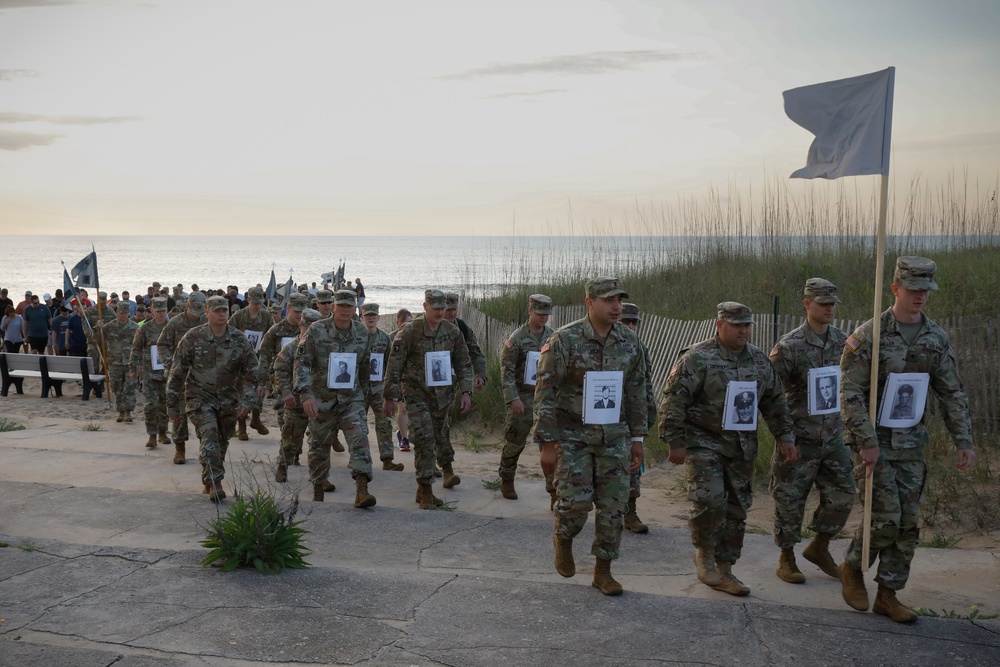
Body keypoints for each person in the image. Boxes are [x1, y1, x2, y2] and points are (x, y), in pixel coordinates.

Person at [839, 256, 974, 623]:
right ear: (895, 288)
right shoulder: (870, 336)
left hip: (912, 443)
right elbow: (849, 391)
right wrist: (865, 441)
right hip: (875, 443)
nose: (920, 297)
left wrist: (964, 441)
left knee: (908, 523)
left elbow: (951, 392)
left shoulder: (935, 337)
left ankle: (888, 593)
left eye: (926, 290)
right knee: (885, 518)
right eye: (913, 290)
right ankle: (852, 567)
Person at [659, 301, 794, 596]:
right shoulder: (698, 358)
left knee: (736, 507)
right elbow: (674, 400)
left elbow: (775, 401)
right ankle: (705, 554)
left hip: (741, 445)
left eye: (747, 325)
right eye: (737, 325)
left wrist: (785, 437)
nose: (743, 331)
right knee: (710, 499)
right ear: (720, 326)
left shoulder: (759, 361)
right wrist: (675, 441)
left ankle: (726, 568)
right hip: (703, 440)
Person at [534, 277, 646, 596]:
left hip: (615, 438)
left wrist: (638, 438)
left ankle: (603, 571)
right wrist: (547, 443)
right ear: (590, 303)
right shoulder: (564, 339)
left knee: (614, 506)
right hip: (573, 438)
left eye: (619, 300)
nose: (616, 306)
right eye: (609, 300)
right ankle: (564, 538)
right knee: (575, 504)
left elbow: (639, 392)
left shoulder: (630, 342)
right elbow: (545, 392)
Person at [768, 277, 854, 584]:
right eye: (823, 303)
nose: (829, 308)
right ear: (807, 304)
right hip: (799, 438)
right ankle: (787, 557)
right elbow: (771, 395)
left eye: (832, 304)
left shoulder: (844, 342)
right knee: (790, 499)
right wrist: (783, 436)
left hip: (834, 436)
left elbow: (852, 386)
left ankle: (820, 546)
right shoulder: (789, 348)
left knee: (844, 494)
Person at [383, 289, 473, 508]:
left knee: (437, 437)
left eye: (443, 309)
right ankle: (425, 489)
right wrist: (389, 397)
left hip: (443, 396)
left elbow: (463, 362)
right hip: (416, 393)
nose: (440, 313)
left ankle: (423, 488)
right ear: (425, 307)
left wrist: (466, 391)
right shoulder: (410, 331)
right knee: (424, 438)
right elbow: (394, 366)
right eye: (436, 309)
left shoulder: (452, 332)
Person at [167, 296, 259, 502]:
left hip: (228, 400)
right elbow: (177, 374)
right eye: (216, 310)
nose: (221, 314)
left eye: (224, 310)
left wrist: (248, 401)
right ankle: (216, 483)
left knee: (221, 442)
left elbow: (253, 373)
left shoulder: (239, 339)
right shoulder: (193, 338)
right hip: (199, 397)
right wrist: (172, 406)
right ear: (207, 312)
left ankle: (209, 478)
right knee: (209, 436)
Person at [293, 289, 378, 507]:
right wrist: (306, 394)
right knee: (318, 447)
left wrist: (366, 393)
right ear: (333, 307)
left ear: (355, 308)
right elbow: (302, 363)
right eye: (341, 306)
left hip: (351, 399)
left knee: (359, 437)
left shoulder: (361, 331)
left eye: (350, 306)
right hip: (322, 399)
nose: (345, 310)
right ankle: (318, 491)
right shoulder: (317, 330)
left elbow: (366, 364)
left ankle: (362, 490)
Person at [497, 294, 553, 501]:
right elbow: (507, 371)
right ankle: (507, 479)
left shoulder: (552, 336)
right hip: (523, 397)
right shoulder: (517, 339)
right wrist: (513, 399)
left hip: (545, 400)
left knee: (550, 445)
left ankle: (553, 490)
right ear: (530, 311)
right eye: (539, 313)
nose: (543, 318)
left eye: (546, 314)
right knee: (515, 442)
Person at [620, 302, 658, 534]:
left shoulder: (640, 348)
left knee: (633, 465)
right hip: (602, 416)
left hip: (630, 417)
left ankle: (630, 511)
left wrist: (646, 419)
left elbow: (646, 387)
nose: (631, 326)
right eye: (626, 321)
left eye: (634, 322)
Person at [272, 307, 323, 481]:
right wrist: (286, 392)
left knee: (318, 440)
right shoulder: (291, 347)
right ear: (301, 324)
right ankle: (282, 466)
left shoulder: (323, 348)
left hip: (317, 400)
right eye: (308, 326)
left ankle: (318, 476)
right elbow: (279, 371)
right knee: (291, 437)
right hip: (295, 401)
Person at [157, 291, 207, 464]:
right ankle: (180, 449)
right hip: (179, 376)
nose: (196, 313)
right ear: (187, 305)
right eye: (193, 309)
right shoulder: (175, 323)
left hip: (201, 377)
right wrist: (171, 365)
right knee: (178, 414)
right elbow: (162, 345)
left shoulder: (207, 322)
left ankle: (205, 449)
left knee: (203, 415)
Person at [360, 302, 404, 473]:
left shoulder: (384, 338)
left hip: (378, 388)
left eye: (373, 315)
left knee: (384, 423)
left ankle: (387, 460)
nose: (371, 318)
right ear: (362, 317)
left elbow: (390, 364)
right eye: (367, 315)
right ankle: (359, 460)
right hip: (360, 389)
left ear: (378, 317)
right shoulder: (356, 336)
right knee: (358, 426)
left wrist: (391, 391)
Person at [258, 293, 308, 434]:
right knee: (286, 426)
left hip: (304, 381)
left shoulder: (310, 329)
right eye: (296, 311)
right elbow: (264, 356)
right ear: (288, 308)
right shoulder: (276, 330)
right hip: (281, 382)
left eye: (302, 311)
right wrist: (261, 383)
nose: (299, 314)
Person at [229, 286, 272, 440]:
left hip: (258, 358)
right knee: (242, 391)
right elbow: (229, 334)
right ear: (248, 300)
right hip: (241, 359)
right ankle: (241, 427)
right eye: (255, 303)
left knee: (259, 389)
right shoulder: (239, 316)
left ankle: (256, 418)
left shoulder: (266, 317)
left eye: (260, 303)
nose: (258, 306)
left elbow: (271, 335)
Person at [131, 297, 171, 448]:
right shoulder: (145, 329)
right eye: (158, 310)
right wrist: (133, 369)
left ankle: (163, 432)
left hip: (167, 373)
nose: (161, 313)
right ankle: (152, 435)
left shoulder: (171, 327)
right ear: (152, 311)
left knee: (164, 405)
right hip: (149, 373)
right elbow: (135, 350)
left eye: (163, 310)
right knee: (150, 405)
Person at [93, 300, 138, 422]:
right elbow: (95, 339)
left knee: (129, 387)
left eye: (125, 313)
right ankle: (121, 411)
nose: (123, 315)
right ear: (117, 312)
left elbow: (140, 346)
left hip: (130, 362)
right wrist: (98, 328)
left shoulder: (135, 327)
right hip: (114, 363)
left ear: (128, 313)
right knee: (117, 388)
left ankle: (128, 412)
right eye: (121, 313)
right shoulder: (109, 326)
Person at [444, 292, 487, 389]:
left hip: (456, 382)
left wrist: (480, 376)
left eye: (454, 309)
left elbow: (476, 353)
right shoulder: (434, 328)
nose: (452, 313)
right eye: (448, 310)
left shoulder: (463, 328)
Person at [392, 308, 413, 452]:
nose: (407, 325)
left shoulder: (416, 337)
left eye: (410, 322)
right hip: (398, 379)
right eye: (404, 322)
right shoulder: (392, 338)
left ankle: (403, 431)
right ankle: (404, 439)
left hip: (414, 380)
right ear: (398, 323)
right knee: (403, 408)